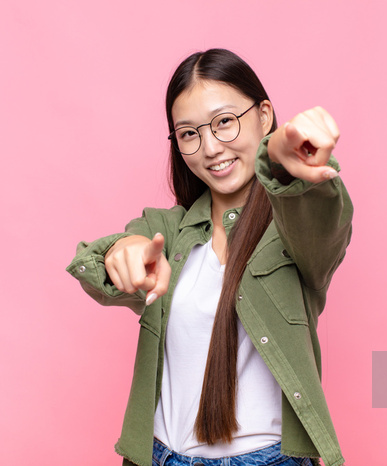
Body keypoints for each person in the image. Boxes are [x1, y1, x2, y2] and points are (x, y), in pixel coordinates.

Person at [66, 48, 353, 466]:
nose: (210, 147)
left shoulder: (292, 230)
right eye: (188, 133)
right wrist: (120, 251)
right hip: (159, 456)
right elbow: (103, 261)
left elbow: (322, 221)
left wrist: (289, 172)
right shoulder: (167, 228)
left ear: (265, 115)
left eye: (224, 122)